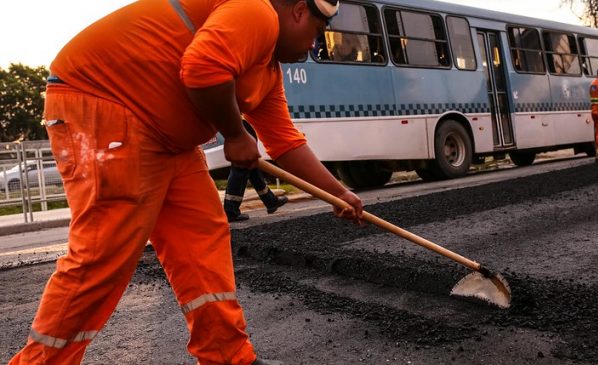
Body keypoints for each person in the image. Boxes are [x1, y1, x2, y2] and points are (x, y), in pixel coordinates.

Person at [9, 1, 362, 365]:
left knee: (201, 237)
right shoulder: (257, 12)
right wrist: (235, 135)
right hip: (105, 103)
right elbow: (202, 67)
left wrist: (338, 194)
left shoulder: (266, 72)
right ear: (299, 10)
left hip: (167, 138)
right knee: (105, 252)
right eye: (318, 33)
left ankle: (227, 356)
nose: (315, 46)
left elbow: (284, 141)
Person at [224, 121, 288, 222]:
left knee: (251, 163)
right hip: (238, 120)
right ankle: (230, 210)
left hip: (240, 119)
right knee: (241, 164)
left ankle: (269, 200)